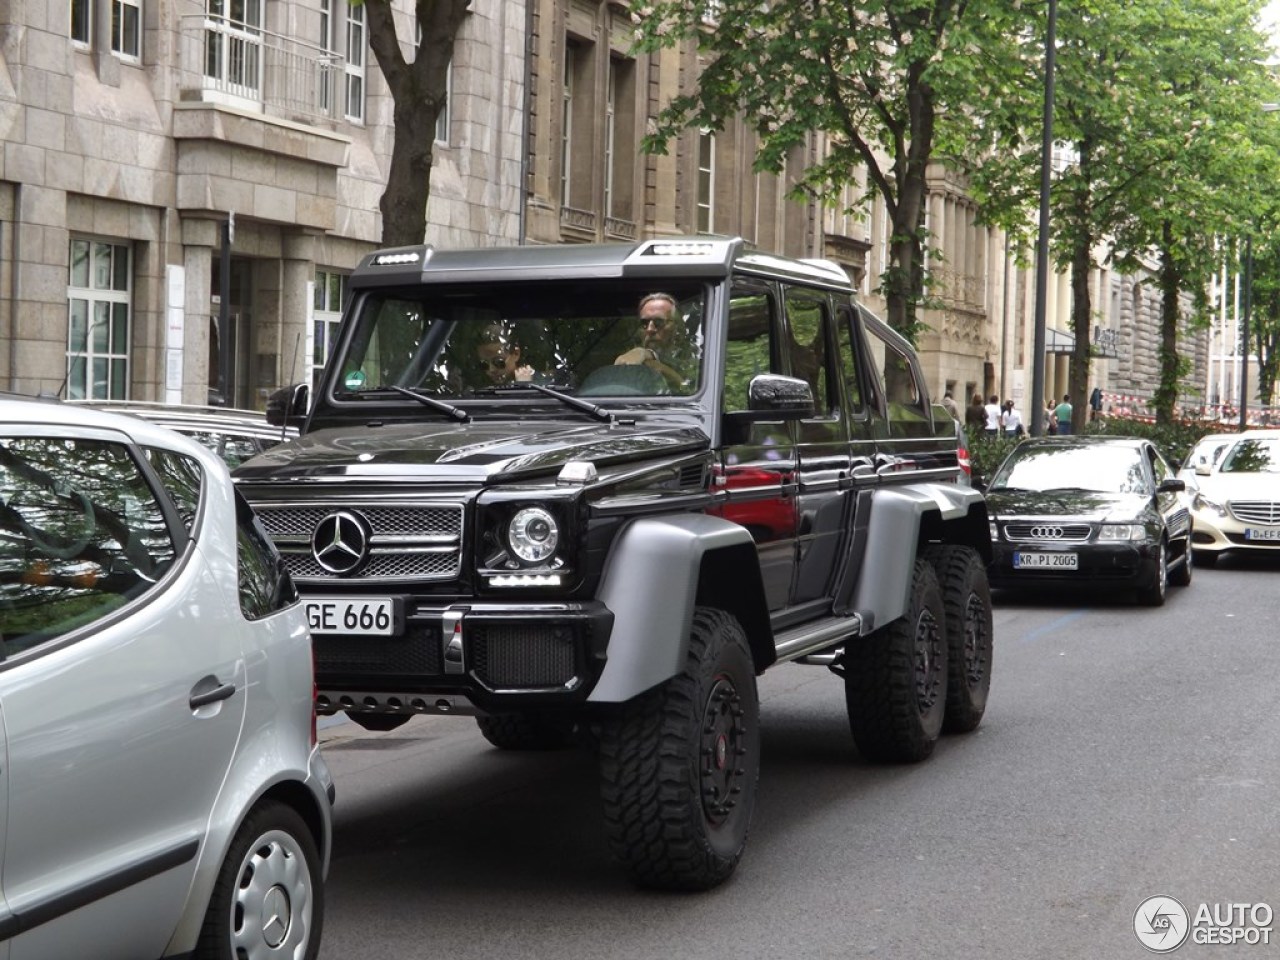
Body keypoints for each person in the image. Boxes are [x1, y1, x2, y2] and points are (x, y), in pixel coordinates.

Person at [615, 292, 689, 390]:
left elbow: (689, 391)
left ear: (677, 328)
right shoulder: (630, 360)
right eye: (644, 323)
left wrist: (653, 359)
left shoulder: (697, 361)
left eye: (659, 322)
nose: (650, 329)